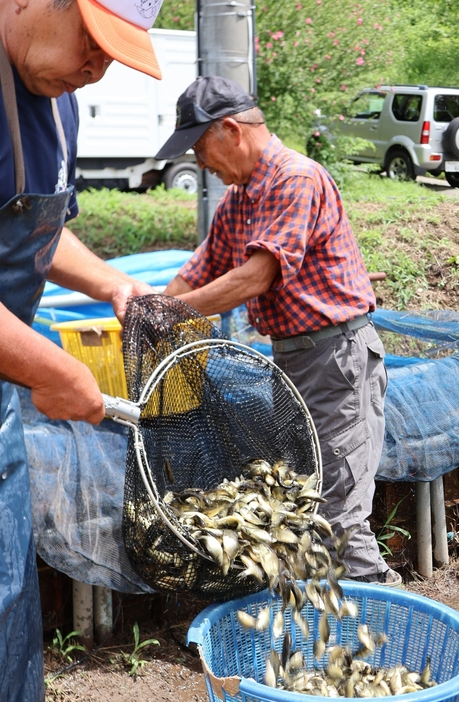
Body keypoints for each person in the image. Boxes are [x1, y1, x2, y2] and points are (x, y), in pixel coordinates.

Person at [157, 75, 402, 589]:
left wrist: (173, 314)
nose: (201, 163)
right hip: (291, 363)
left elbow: (254, 277)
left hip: (336, 359)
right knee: (301, 502)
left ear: (230, 130)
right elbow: (200, 269)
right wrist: (151, 307)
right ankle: (328, 632)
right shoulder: (240, 199)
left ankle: (381, 626)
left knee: (337, 510)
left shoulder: (295, 177)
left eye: (201, 148)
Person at [0, 0, 166, 698]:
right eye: (92, 44)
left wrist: (112, 283)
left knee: (8, 598)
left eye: (113, 57)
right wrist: (53, 368)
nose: (94, 72)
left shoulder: (56, 97)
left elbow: (32, 222)